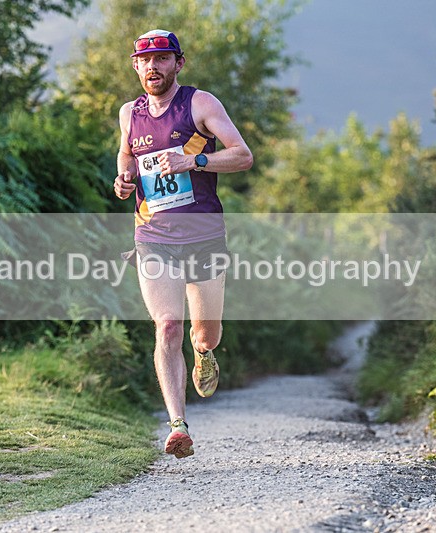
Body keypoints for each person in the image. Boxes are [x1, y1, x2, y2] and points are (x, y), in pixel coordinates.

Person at [114, 29, 253, 459]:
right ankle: (178, 425)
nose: (153, 67)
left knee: (204, 332)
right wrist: (123, 179)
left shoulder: (200, 104)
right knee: (167, 325)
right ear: (136, 66)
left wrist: (194, 159)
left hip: (205, 235)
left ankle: (204, 352)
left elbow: (243, 155)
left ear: (179, 62)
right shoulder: (129, 113)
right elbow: (126, 156)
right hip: (153, 237)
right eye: (145, 60)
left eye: (162, 58)